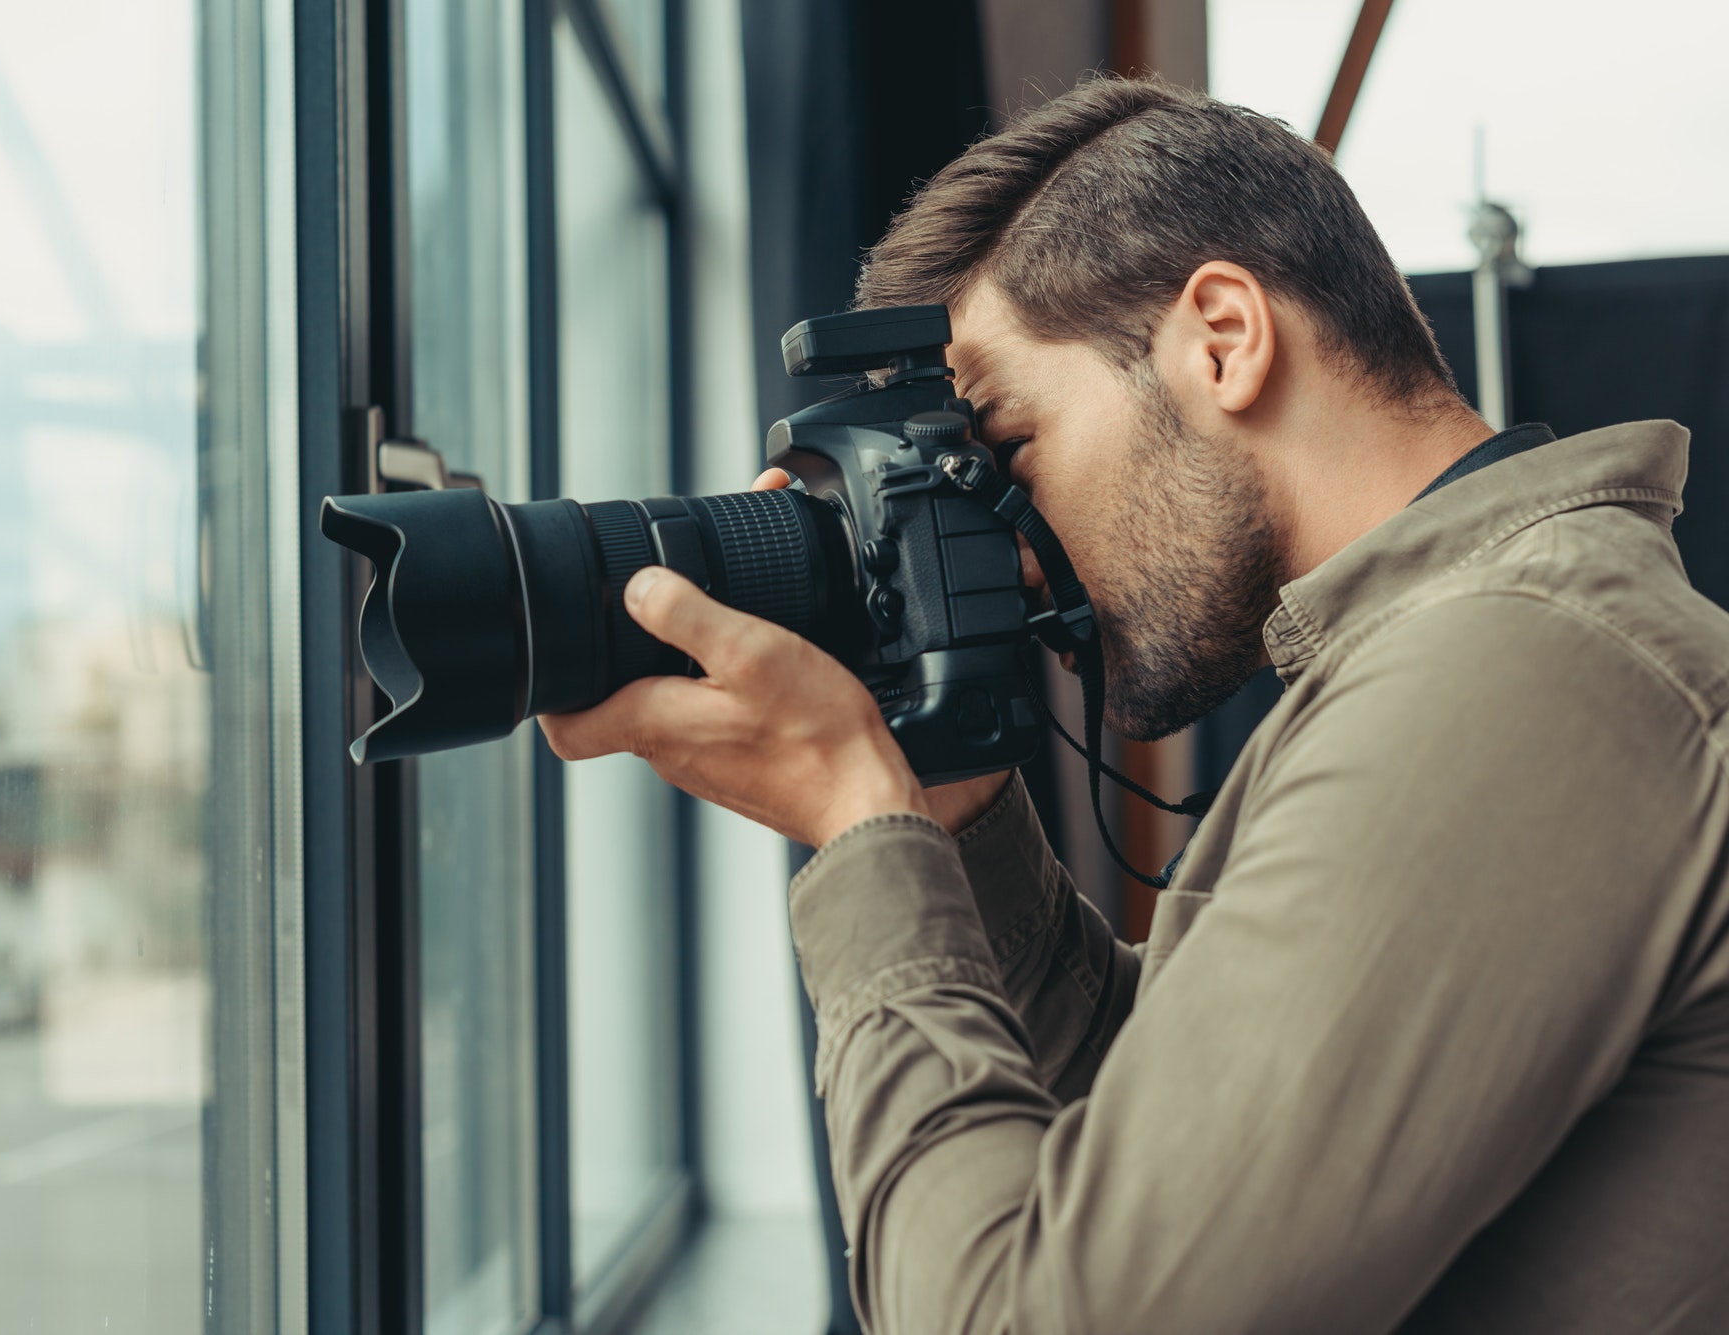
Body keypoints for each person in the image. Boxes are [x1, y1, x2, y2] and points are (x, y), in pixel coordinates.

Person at [541, 77, 1729, 1333]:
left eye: (1004, 445)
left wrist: (856, 832)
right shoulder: (1455, 649)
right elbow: (1172, 1139)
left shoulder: (1518, 678)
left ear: (1220, 336)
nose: (1010, 550)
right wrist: (949, 829)